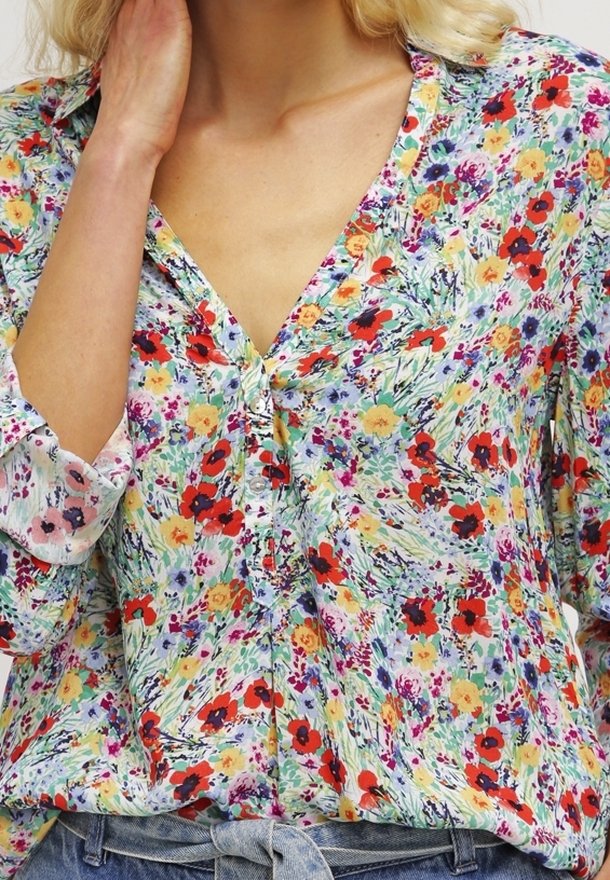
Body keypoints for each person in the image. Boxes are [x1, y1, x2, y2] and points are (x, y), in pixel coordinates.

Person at [0, 0, 608, 877]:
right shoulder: (27, 166)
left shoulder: (556, 130)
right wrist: (120, 151)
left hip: (472, 852)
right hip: (109, 851)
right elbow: (16, 595)